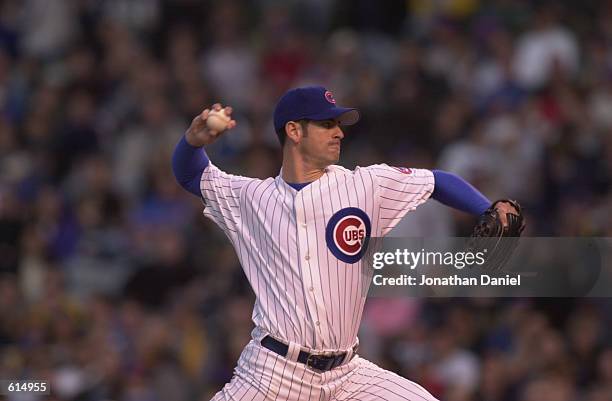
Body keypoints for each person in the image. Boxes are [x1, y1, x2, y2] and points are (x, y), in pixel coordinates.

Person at [172, 86, 519, 400]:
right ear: (294, 131)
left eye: (338, 123)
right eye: (326, 124)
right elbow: (191, 173)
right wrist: (193, 141)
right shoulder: (250, 198)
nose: (339, 132)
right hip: (271, 374)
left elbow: (438, 181)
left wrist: (487, 208)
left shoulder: (366, 186)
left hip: (347, 374)